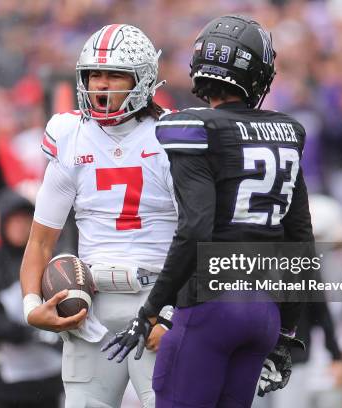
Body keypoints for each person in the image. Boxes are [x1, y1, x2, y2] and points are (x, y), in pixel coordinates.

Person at [103, 15, 313, 407]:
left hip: (212, 308)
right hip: (263, 311)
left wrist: (150, 310)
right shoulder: (287, 132)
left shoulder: (193, 127)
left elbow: (196, 227)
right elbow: (300, 240)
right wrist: (286, 329)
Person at [19, 24, 177, 407]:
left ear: (142, 79)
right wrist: (31, 307)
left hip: (157, 301)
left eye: (114, 75)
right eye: (94, 75)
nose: (101, 85)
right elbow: (40, 240)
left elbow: (201, 234)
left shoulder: (173, 134)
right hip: (91, 305)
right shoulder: (70, 133)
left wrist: (176, 312)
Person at [0, 190, 64, 408]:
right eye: (14, 221)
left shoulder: (50, 261)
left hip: (46, 380)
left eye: (25, 221)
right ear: (3, 223)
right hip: (2, 381)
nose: (20, 227)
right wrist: (31, 332)